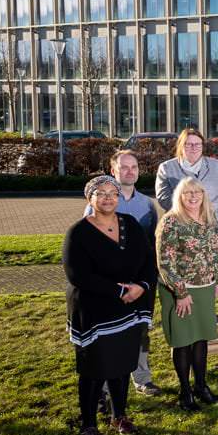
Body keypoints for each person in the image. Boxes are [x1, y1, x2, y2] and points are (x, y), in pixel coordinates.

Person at [64, 176, 155, 435]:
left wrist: (141, 286)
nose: (107, 198)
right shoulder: (78, 232)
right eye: (100, 193)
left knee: (122, 365)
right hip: (95, 310)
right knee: (94, 370)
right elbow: (76, 274)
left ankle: (119, 416)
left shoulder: (130, 225)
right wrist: (118, 291)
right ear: (89, 198)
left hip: (128, 309)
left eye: (112, 193)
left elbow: (148, 260)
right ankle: (89, 424)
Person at [80, 150, 159, 398]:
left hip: (140, 282)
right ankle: (104, 384)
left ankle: (142, 378)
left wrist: (145, 281)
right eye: (124, 167)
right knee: (109, 332)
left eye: (134, 167)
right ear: (113, 171)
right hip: (111, 283)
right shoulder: (98, 203)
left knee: (140, 330)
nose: (129, 171)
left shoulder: (147, 204)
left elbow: (151, 246)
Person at [156, 177, 218, 411]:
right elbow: (165, 262)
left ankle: (201, 386)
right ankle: (185, 391)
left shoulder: (209, 218)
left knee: (201, 339)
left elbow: (217, 251)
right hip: (180, 291)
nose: (193, 196)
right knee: (183, 341)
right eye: (188, 193)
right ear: (180, 196)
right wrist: (181, 293)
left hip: (205, 288)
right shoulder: (171, 222)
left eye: (197, 192)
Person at [155, 128, 218, 226]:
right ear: (181, 145)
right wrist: (190, 213)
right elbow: (164, 198)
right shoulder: (167, 168)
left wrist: (207, 210)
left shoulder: (216, 165)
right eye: (188, 144)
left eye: (198, 144)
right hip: (181, 225)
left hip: (214, 222)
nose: (194, 147)